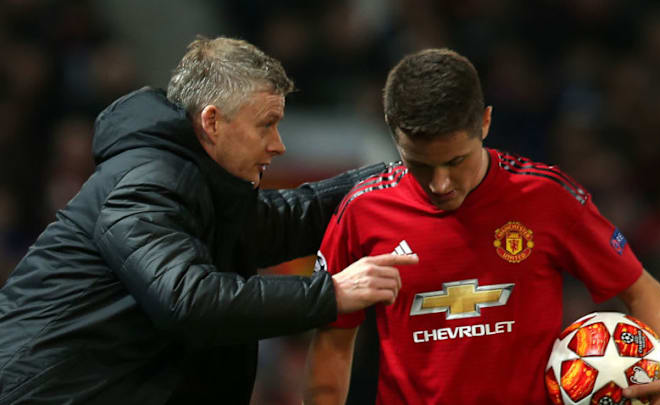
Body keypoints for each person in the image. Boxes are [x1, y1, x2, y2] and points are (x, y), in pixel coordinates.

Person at [0, 36, 417, 404]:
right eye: (267, 125)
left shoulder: (197, 182)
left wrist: (396, 177)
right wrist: (333, 294)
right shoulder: (146, 182)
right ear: (212, 121)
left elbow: (282, 221)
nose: (279, 145)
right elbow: (188, 300)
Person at [303, 49, 660, 404]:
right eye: (420, 165)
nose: (440, 184)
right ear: (393, 130)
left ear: (486, 121)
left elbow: (640, 289)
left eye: (455, 161)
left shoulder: (547, 197)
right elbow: (333, 342)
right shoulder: (363, 209)